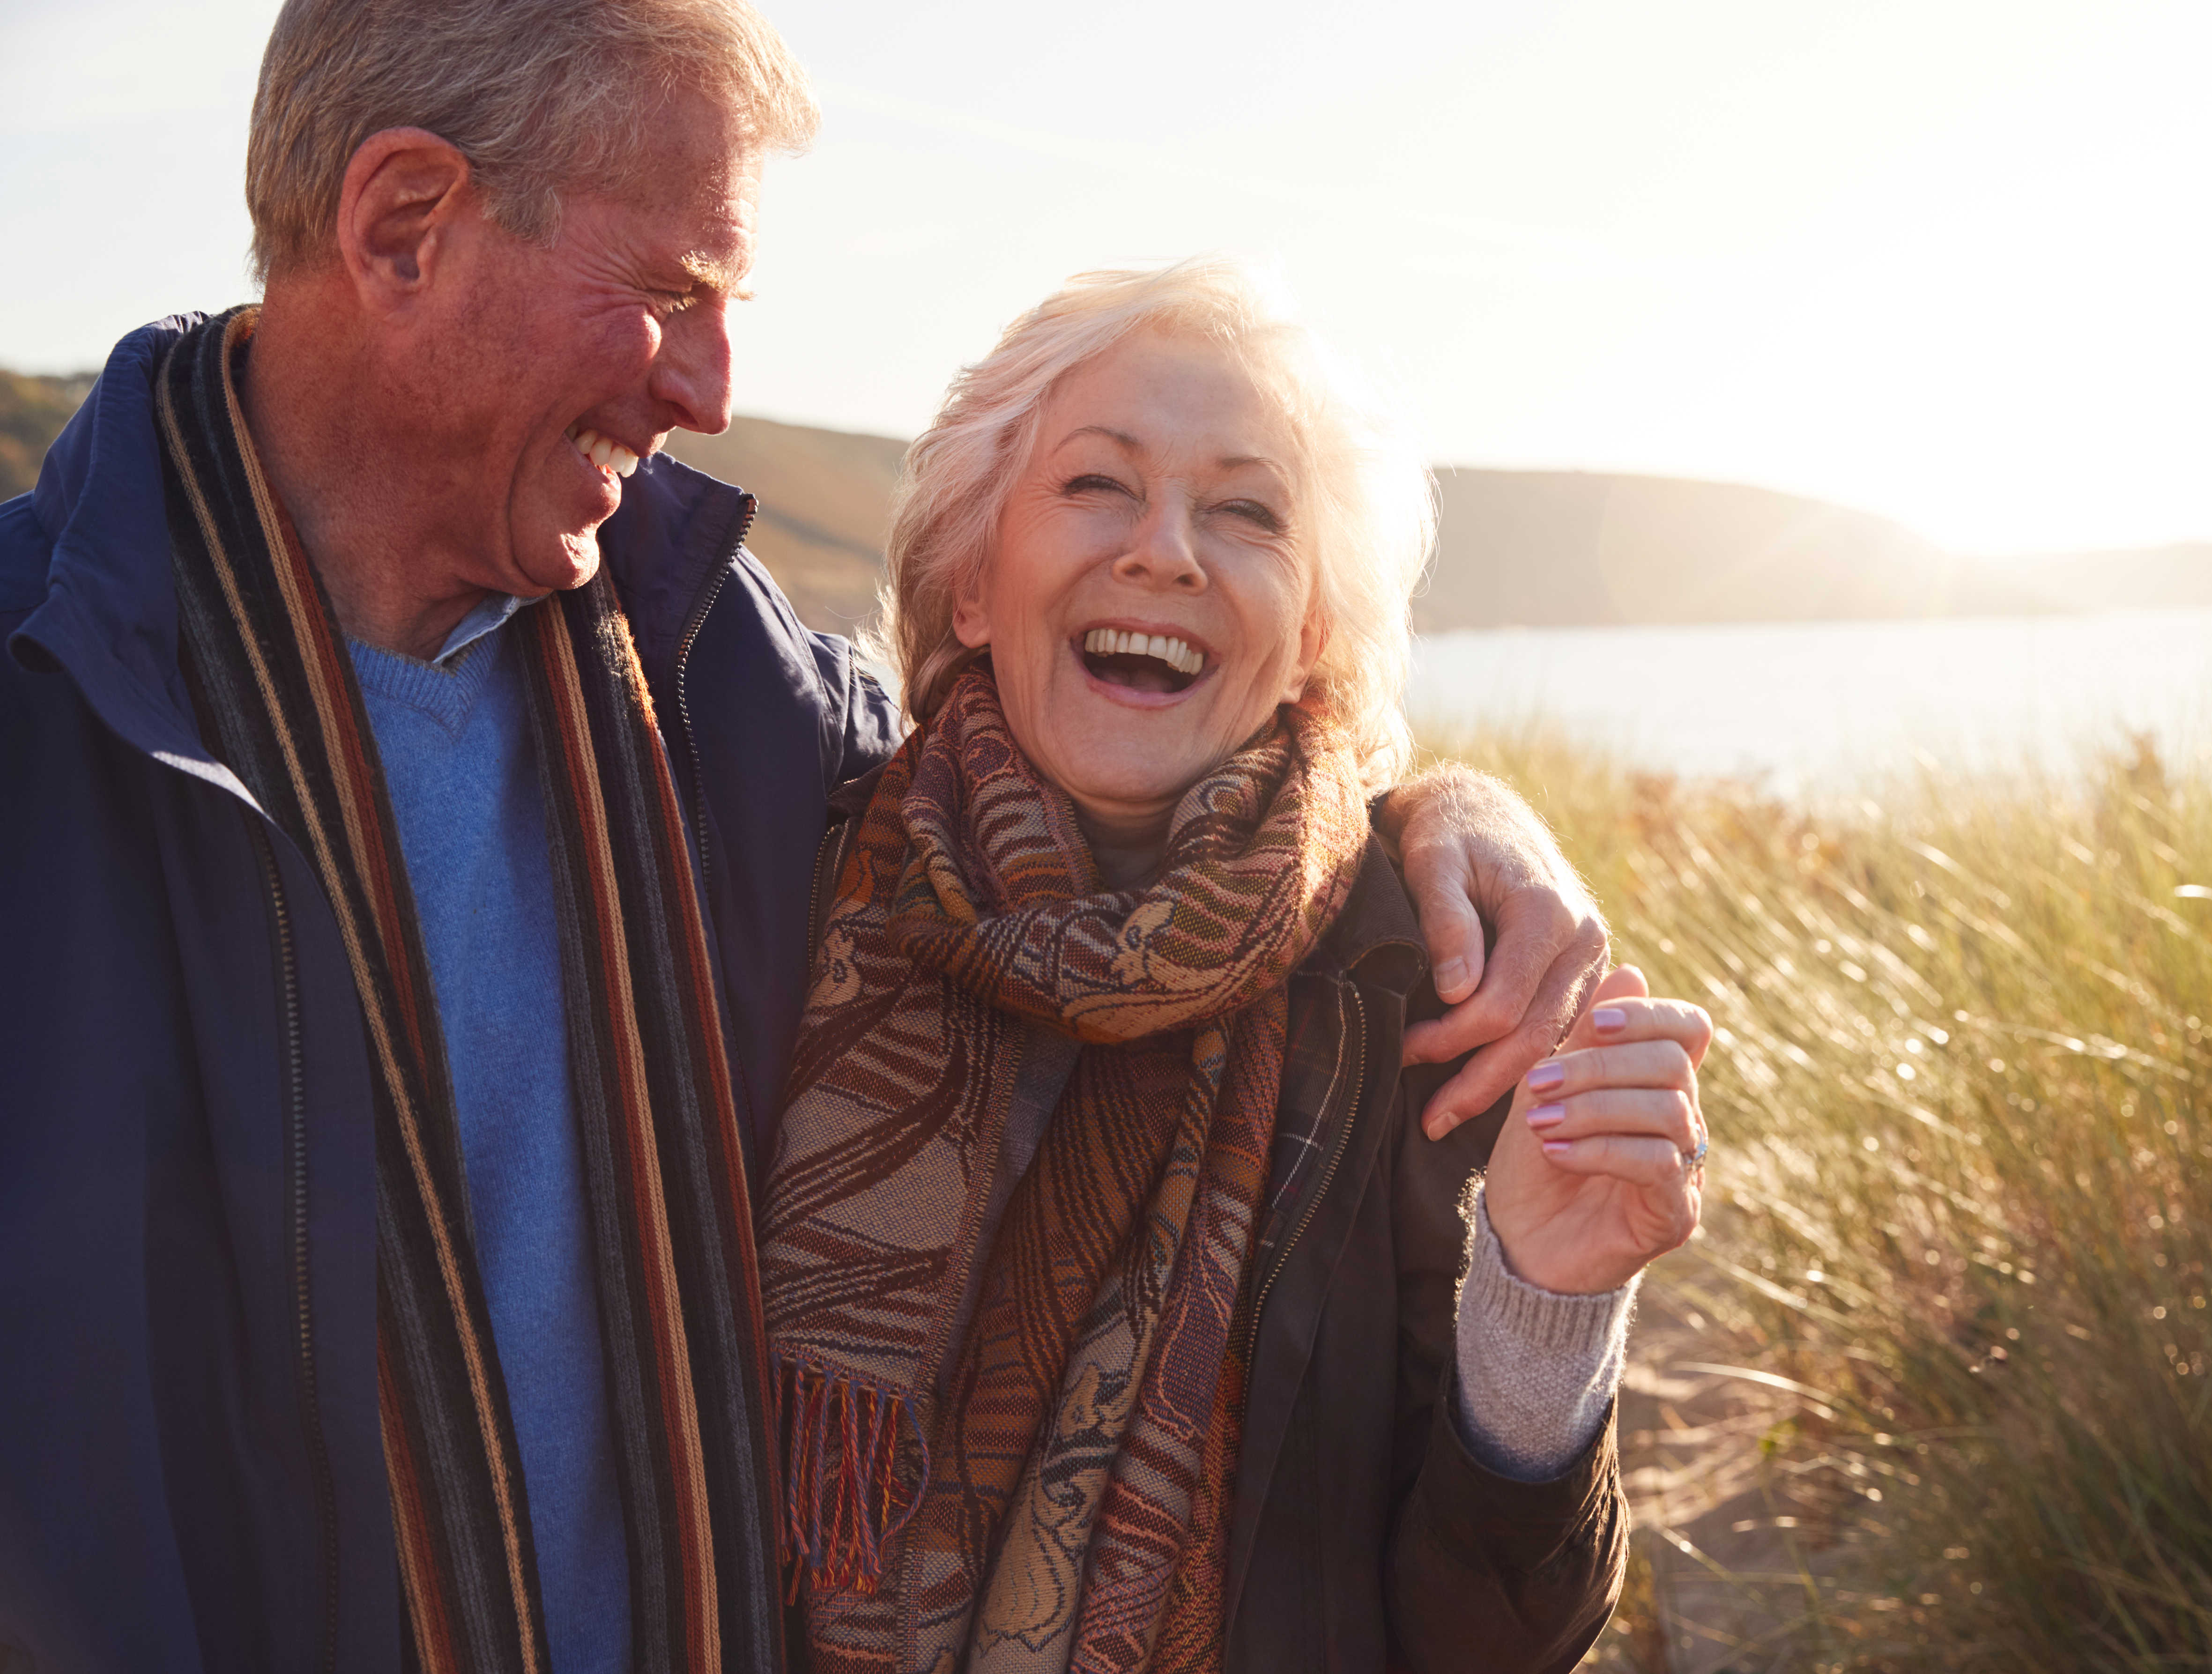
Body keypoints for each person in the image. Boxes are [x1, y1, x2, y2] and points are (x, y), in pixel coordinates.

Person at [0, 3, 1618, 1671]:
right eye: (672, 294)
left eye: (1243, 510)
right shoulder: (41, 718)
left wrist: (1457, 820)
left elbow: (1091, 801)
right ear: (406, 223)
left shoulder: (725, 686)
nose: (711, 389)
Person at [759, 259, 1711, 1673]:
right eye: (1098, 486)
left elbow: (1492, 1645)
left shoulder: (1437, 982)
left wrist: (1547, 1311)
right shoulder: (794, 892)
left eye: (1247, 511)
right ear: (971, 583)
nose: (1168, 552)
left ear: (1313, 638)